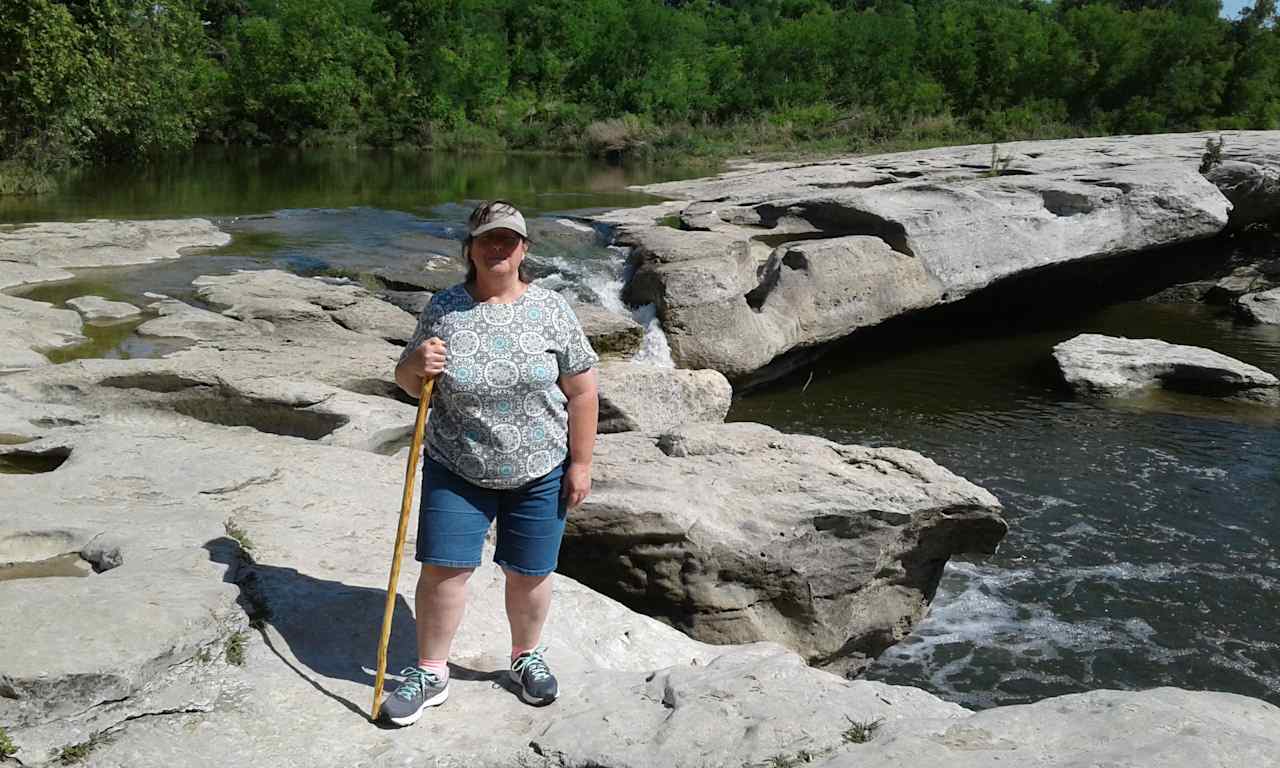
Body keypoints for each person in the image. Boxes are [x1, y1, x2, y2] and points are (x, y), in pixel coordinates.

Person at [382, 200, 599, 726]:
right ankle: (431, 672)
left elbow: (583, 389)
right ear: (471, 248)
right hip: (457, 464)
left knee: (529, 572)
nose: (498, 248)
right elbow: (410, 383)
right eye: (487, 240)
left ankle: (526, 658)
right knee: (444, 571)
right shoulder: (444, 307)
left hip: (541, 467)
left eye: (509, 240)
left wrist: (581, 463)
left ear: (524, 249)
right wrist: (412, 365)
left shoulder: (552, 308)